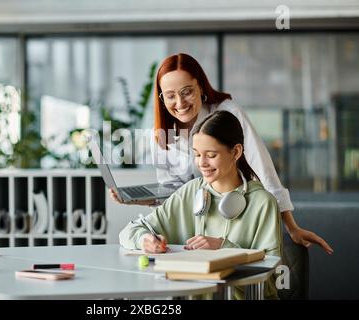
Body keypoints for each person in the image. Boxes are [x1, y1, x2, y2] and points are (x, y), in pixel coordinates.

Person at [112, 53, 333, 255]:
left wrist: (291, 226)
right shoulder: (162, 132)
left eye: (187, 91)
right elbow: (172, 193)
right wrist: (140, 202)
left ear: (200, 86)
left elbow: (262, 168)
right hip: (195, 221)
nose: (179, 103)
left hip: (237, 211)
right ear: (161, 98)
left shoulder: (227, 113)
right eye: (170, 96)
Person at [119, 110, 282, 299]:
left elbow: (268, 286)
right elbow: (128, 232)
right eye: (197, 155)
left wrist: (224, 248)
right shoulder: (191, 192)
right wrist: (145, 239)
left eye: (211, 155)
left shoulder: (263, 203)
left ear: (236, 152)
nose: (201, 163)